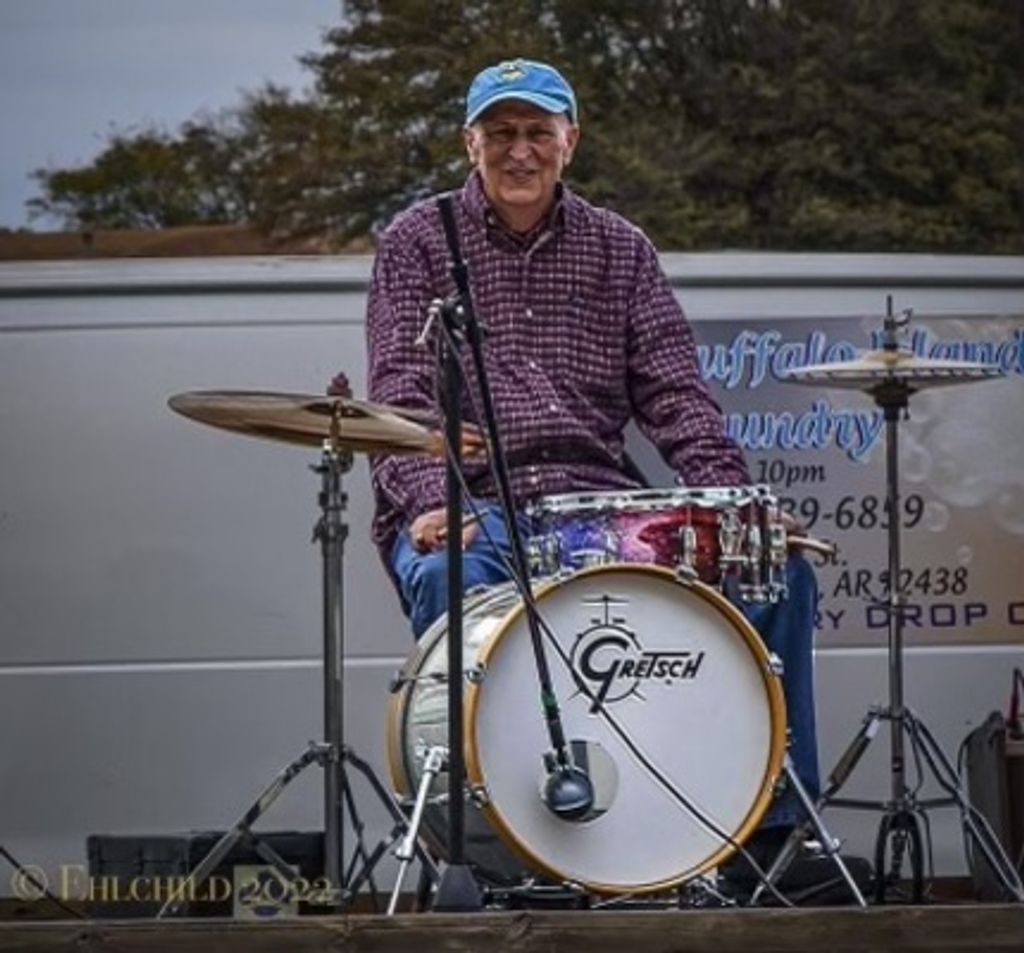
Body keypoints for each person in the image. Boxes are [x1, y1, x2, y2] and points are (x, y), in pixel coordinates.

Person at [364, 58, 819, 848]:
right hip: (471, 504)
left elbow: (677, 395)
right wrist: (426, 500)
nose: (519, 151)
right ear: (469, 144)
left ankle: (774, 835)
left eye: (537, 132)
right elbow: (399, 393)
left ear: (569, 142)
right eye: (500, 133)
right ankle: (492, 842)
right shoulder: (418, 239)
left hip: (598, 506)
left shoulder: (622, 247)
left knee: (778, 573)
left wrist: (737, 505)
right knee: (448, 579)